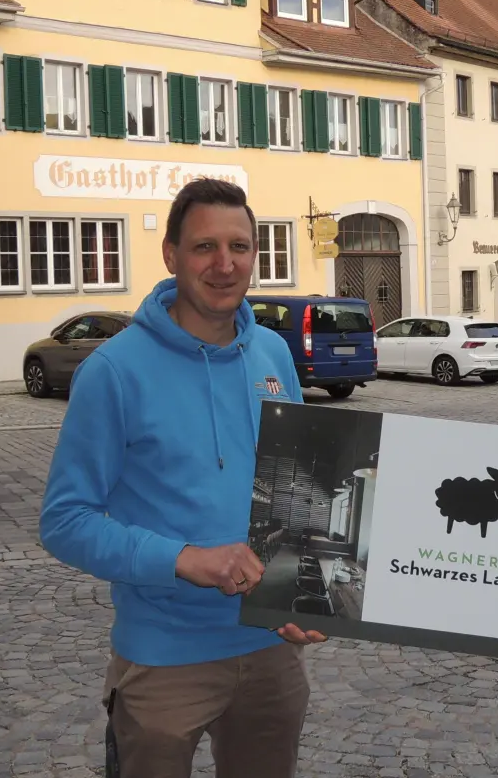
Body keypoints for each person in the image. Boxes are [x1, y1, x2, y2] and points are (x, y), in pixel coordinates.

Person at [39, 178, 327, 778]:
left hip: (271, 650)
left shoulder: (273, 354)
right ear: (171, 255)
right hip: (163, 660)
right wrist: (185, 559)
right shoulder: (113, 371)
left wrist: (312, 589)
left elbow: (299, 490)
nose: (225, 264)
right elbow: (65, 521)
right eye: (204, 247)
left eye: (239, 247)